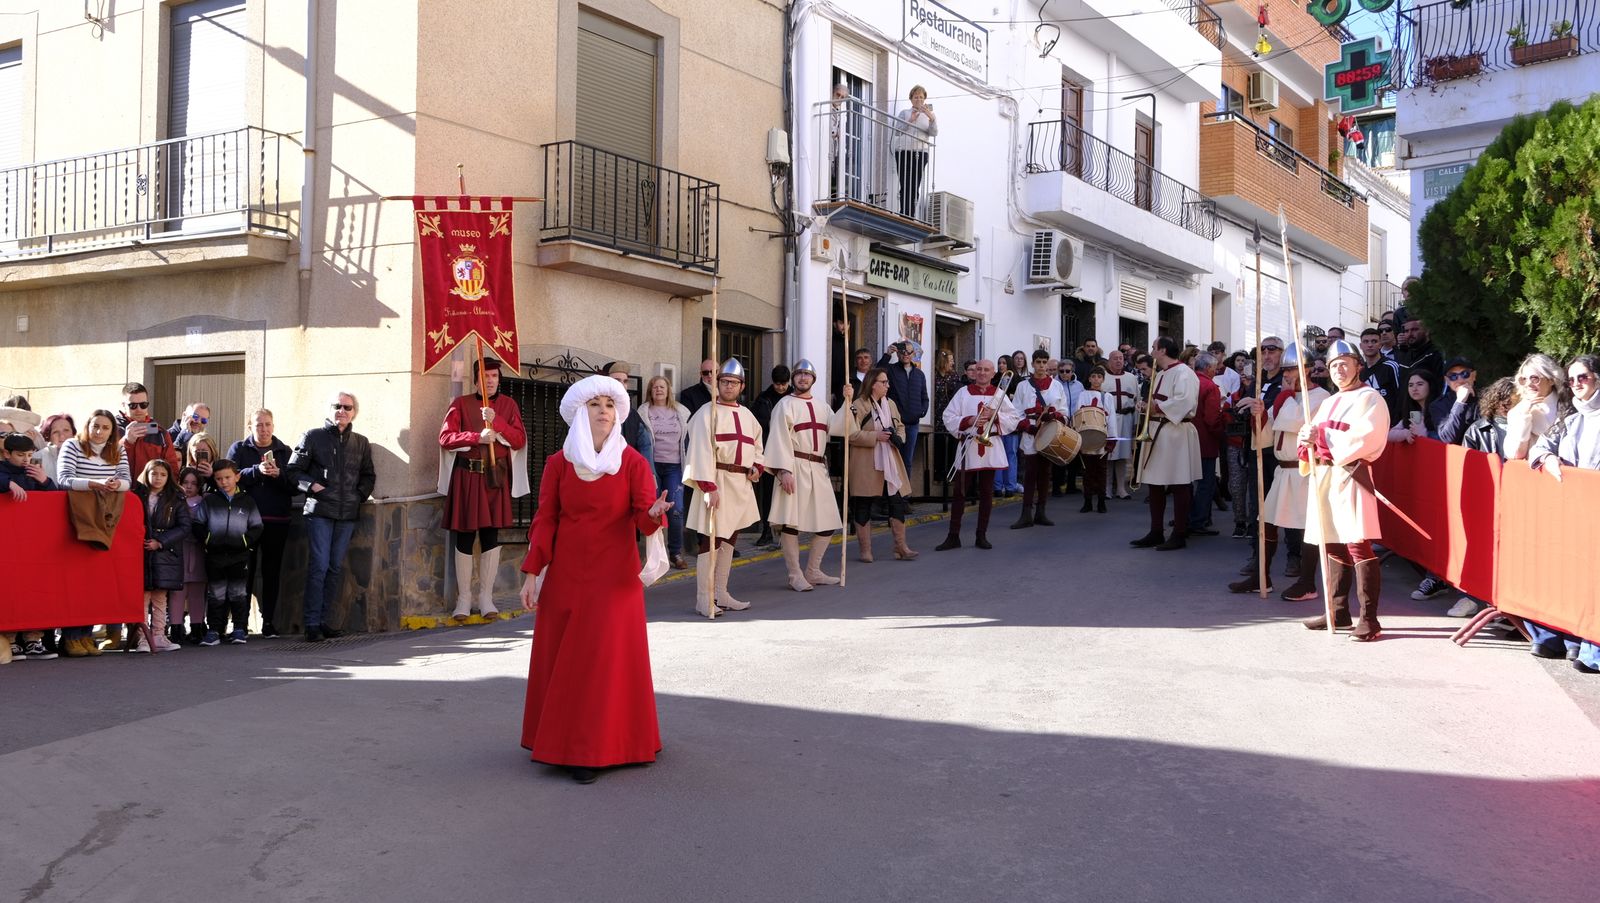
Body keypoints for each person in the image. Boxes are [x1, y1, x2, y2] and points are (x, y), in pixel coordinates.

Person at [517, 375, 674, 783]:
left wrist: (655, 514)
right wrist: (533, 573)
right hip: (567, 576)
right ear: (580, 414)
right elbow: (546, 519)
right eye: (595, 404)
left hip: (614, 578)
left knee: (603, 661)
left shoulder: (633, 463)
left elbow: (641, 518)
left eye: (609, 404)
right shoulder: (558, 463)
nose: (604, 411)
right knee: (569, 662)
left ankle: (608, 746)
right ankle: (565, 744)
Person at [1298, 339, 1391, 640]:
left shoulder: (1370, 398)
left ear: (1357, 366)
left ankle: (1369, 619)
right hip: (1325, 477)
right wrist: (1307, 439)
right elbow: (1312, 438)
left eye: (1344, 364)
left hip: (1351, 475)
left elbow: (1368, 438)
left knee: (1356, 543)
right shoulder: (1327, 402)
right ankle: (1337, 611)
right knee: (1332, 543)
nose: (1339, 370)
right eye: (1334, 366)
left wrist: (1322, 436)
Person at [1227, 344, 1329, 598]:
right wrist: (1259, 415)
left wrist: (1282, 399)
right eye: (1285, 369)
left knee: (1308, 527)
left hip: (1305, 470)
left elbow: (1295, 422)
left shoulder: (1320, 397)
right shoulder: (1286, 396)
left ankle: (1307, 582)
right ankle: (1262, 575)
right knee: (1267, 522)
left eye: (1292, 369)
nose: (1287, 374)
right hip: (1283, 471)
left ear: (1306, 370)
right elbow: (1269, 433)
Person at [437, 358, 529, 622]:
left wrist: (497, 422)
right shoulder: (460, 404)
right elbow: (445, 438)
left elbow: (519, 439)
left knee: (491, 536)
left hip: (494, 477)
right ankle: (464, 599)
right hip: (467, 477)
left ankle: (486, 597)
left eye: (494, 376)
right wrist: (475, 437)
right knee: (464, 537)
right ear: (476, 378)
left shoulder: (508, 405)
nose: (490, 380)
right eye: (485, 376)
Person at [1527, 354, 1600, 672]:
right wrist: (1548, 458)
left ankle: (1592, 649)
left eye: (1582, 377)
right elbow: (1539, 446)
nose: (1576, 385)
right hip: (1572, 511)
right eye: (1571, 380)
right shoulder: (1571, 419)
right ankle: (1559, 636)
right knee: (1565, 574)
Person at [289, 390, 376, 642]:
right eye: (337, 406)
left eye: (347, 407)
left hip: (347, 514)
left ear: (354, 413)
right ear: (329, 409)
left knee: (335, 568)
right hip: (320, 513)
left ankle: (325, 621)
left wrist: (358, 495)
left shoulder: (360, 442)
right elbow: (294, 470)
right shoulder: (312, 436)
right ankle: (312, 623)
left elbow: (369, 475)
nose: (342, 411)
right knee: (319, 567)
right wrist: (313, 486)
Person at [682, 359, 765, 617]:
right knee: (711, 540)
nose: (728, 386)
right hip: (716, 481)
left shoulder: (748, 415)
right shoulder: (707, 412)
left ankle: (721, 592)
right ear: (717, 383)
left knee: (730, 537)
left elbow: (758, 447)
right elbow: (698, 449)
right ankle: (704, 598)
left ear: (742, 385)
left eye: (733, 382)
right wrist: (708, 485)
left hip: (740, 484)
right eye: (724, 381)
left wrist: (756, 467)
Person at [765, 360, 855, 588]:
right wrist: (783, 471)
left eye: (807, 374)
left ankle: (813, 571)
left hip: (817, 468)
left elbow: (841, 428)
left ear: (813, 379)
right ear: (793, 378)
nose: (803, 378)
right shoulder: (784, 405)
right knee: (790, 523)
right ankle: (795, 575)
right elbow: (777, 438)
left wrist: (847, 402)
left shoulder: (822, 406)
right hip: (793, 466)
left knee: (827, 522)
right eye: (799, 374)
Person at [937, 359, 1019, 551]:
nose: (982, 373)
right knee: (959, 493)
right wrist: (970, 420)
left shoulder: (999, 395)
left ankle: (981, 535)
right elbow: (948, 416)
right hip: (968, 447)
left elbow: (1014, 418)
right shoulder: (963, 392)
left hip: (990, 449)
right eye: (979, 369)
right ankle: (953, 536)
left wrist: (995, 417)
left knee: (987, 493)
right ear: (974, 372)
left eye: (986, 370)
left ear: (993, 374)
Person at [1130, 337, 1201, 551]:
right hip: (1158, 431)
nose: (1151, 351)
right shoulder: (1161, 373)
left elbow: (1185, 402)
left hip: (1176, 432)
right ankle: (1156, 531)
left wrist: (1156, 407)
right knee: (1155, 482)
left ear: (1162, 350)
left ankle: (1179, 533)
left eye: (1153, 348)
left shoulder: (1183, 373)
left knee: (1179, 483)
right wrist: (1146, 406)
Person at [229, 410, 295, 637]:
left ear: (273, 427)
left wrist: (279, 475)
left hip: (276, 520)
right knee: (244, 572)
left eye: (268, 425)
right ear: (250, 427)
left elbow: (295, 485)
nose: (264, 429)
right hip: (245, 520)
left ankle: (269, 624)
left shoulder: (284, 451)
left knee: (272, 572)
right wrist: (256, 471)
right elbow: (230, 478)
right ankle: (240, 624)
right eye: (259, 425)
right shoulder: (239, 449)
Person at [0, 432, 60, 662]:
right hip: (8, 544)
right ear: (6, 453)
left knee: (34, 590)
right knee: (10, 590)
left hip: (33, 543)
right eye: (20, 455)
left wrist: (45, 481)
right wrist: (7, 483)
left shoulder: (32, 471)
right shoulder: (3, 471)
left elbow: (53, 498)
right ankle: (11, 640)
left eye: (29, 454)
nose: (26, 460)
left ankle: (33, 639)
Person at [847, 367, 917, 562]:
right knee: (863, 503)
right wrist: (875, 436)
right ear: (872, 384)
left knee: (896, 502)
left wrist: (899, 438)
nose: (887, 385)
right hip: (866, 462)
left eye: (887, 382)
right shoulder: (858, 405)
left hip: (890, 459)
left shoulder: (891, 404)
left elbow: (900, 426)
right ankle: (865, 551)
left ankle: (901, 546)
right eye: (883, 382)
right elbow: (850, 434)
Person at [195, 459, 264, 646]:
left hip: (239, 556)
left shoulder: (247, 501)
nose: (224, 482)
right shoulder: (210, 501)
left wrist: (244, 542)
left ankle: (239, 629)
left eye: (227, 477)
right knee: (215, 594)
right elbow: (198, 525)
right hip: (215, 556)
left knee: (238, 593)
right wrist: (209, 540)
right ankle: (214, 631)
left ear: (237, 477)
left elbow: (257, 526)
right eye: (219, 479)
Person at [133, 459, 188, 653]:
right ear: (146, 474)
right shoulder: (136, 495)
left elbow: (184, 527)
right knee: (142, 596)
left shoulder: (176, 498)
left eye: (163, 474)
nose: (158, 478)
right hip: (141, 550)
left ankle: (159, 635)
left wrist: (161, 541)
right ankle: (143, 639)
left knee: (159, 595)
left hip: (165, 553)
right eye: (154, 473)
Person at [1010, 348, 1069, 529]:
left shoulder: (1056, 386)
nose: (1042, 366)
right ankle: (1026, 513)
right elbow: (1015, 413)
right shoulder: (1023, 386)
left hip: (1049, 433)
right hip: (1031, 433)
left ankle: (1041, 512)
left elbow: (1064, 410)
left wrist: (1055, 416)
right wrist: (1028, 427)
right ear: (1033, 363)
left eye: (1044, 362)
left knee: (1045, 473)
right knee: (1030, 474)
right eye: (1038, 362)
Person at [641, 376, 691, 569]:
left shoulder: (682, 412)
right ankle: (655, 555)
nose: (658, 390)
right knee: (653, 511)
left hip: (675, 467)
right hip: (652, 467)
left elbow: (689, 442)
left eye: (662, 387)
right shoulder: (644, 412)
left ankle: (676, 553)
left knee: (676, 509)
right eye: (654, 387)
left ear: (669, 390)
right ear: (650, 391)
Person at [751, 365, 792, 550]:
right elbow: (755, 424)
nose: (781, 388)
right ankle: (767, 531)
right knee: (768, 493)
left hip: (791, 452)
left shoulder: (794, 398)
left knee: (788, 493)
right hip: (769, 451)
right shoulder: (763, 398)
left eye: (784, 384)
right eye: (777, 384)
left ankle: (788, 532)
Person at [1187, 352, 1226, 537]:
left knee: (1187, 481)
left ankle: (1189, 517)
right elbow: (1212, 419)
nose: (1216, 370)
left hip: (1187, 438)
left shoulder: (1189, 381)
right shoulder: (1210, 386)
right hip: (1205, 441)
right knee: (1206, 483)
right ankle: (1198, 520)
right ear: (1209, 368)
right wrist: (1221, 433)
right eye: (1215, 367)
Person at [877, 341, 929, 480]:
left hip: (912, 424)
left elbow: (925, 397)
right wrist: (887, 354)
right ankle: (891, 496)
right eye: (902, 352)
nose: (905, 354)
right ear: (898, 353)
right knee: (892, 459)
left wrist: (922, 411)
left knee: (907, 461)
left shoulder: (919, 374)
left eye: (909, 352)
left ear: (914, 354)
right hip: (895, 424)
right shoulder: (891, 370)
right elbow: (877, 373)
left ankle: (904, 496)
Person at [173, 467, 209, 645]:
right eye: (185, 482)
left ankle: (197, 627)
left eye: (193, 483)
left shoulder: (204, 502)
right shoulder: (174, 501)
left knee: (197, 591)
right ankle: (176, 628)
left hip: (198, 551)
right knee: (178, 592)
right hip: (178, 550)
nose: (188, 487)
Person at [1504, 352, 1564, 461]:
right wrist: (1524, 416)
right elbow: (1515, 454)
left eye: (1534, 378)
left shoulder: (1568, 407)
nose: (1528, 384)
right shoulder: (1517, 413)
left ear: (1550, 380)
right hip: (1536, 472)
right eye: (1524, 379)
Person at [118, 382, 180, 482]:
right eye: (132, 405)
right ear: (123, 405)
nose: (138, 409)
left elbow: (172, 468)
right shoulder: (111, 428)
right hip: (120, 491)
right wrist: (126, 442)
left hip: (150, 493)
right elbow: (103, 460)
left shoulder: (160, 432)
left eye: (143, 405)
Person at [893, 85, 937, 219]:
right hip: (904, 152)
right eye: (916, 97)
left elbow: (933, 133)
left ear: (925, 100)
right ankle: (904, 213)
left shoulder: (930, 115)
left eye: (921, 97)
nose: (919, 100)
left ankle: (909, 215)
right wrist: (910, 120)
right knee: (905, 183)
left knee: (914, 185)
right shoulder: (905, 113)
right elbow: (897, 131)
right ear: (911, 99)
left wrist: (932, 119)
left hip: (920, 153)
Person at [993, 350, 1029, 497]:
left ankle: (1010, 486)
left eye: (1004, 363)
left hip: (1011, 422)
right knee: (996, 454)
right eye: (999, 363)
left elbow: (1020, 402)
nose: (1001, 365)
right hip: (996, 421)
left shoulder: (1018, 381)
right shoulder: (994, 379)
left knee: (1011, 454)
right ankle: (997, 486)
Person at [1076, 367, 1112, 513]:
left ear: (1103, 379)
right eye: (1094, 376)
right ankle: (1088, 501)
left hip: (1102, 438)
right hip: (1086, 438)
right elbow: (1078, 414)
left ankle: (1101, 501)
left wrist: (1111, 439)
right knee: (1087, 471)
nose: (1096, 379)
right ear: (1089, 379)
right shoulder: (1083, 395)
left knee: (1101, 471)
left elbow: (1112, 419)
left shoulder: (1107, 397)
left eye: (1099, 377)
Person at [1103, 350, 1138, 499]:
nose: (1118, 361)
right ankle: (1107, 489)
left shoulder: (1131, 378)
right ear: (1109, 361)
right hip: (1109, 421)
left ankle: (1121, 489)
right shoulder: (1103, 377)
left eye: (1121, 358)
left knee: (1123, 455)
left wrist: (1136, 422)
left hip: (1126, 419)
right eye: (1115, 358)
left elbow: (1137, 401)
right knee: (1109, 454)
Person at [1358, 327, 1405, 425]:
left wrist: (1395, 424)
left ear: (1380, 344)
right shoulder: (1360, 372)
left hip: (1390, 425)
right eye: (1366, 342)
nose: (1370, 345)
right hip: (1367, 426)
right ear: (1361, 346)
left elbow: (1401, 397)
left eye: (1374, 341)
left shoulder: (1391, 366)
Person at [1431, 358, 1478, 445]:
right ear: (1447, 381)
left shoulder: (1487, 398)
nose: (1460, 380)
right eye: (1453, 376)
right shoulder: (1439, 405)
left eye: (1465, 374)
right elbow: (1448, 438)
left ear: (1474, 375)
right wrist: (1460, 402)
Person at [1390, 370, 1439, 444]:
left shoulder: (1440, 408)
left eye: (1420, 384)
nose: (1414, 388)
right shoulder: (1415, 412)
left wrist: (1424, 434)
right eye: (1410, 385)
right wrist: (1405, 433)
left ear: (1430, 386)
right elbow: (1389, 435)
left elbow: (1447, 439)